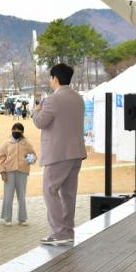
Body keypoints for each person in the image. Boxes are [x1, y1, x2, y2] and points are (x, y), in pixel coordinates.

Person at [33, 63, 86, 245]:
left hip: (58, 153)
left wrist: (36, 110)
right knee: (68, 193)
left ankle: (58, 232)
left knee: (50, 190)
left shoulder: (52, 100)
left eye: (51, 78)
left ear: (55, 78)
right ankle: (68, 231)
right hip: (76, 151)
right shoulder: (78, 98)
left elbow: (40, 122)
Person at [0, 124, 36, 226]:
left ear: (22, 132)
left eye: (18, 130)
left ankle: (22, 219)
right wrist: (2, 171)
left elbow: (33, 156)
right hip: (9, 172)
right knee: (8, 195)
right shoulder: (6, 143)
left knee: (22, 196)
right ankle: (7, 218)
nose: (15, 131)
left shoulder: (27, 144)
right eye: (14, 129)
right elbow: (0, 159)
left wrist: (27, 161)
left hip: (22, 172)